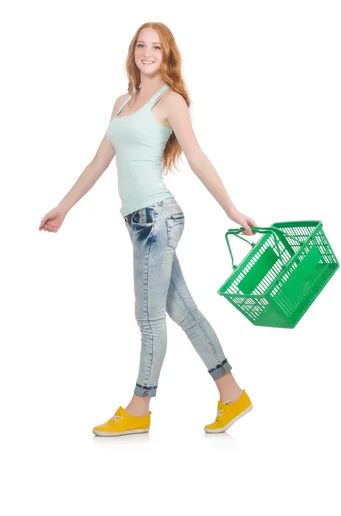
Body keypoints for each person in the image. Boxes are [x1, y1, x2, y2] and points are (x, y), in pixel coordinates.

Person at [39, 22, 257, 436]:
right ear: (132, 52)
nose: (147, 52)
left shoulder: (170, 100)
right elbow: (98, 162)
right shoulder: (122, 102)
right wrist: (63, 208)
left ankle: (139, 408)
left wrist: (230, 208)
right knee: (184, 312)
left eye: (156, 47)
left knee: (148, 317)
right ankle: (232, 395)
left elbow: (196, 157)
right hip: (140, 221)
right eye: (141, 45)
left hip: (157, 219)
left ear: (167, 55)